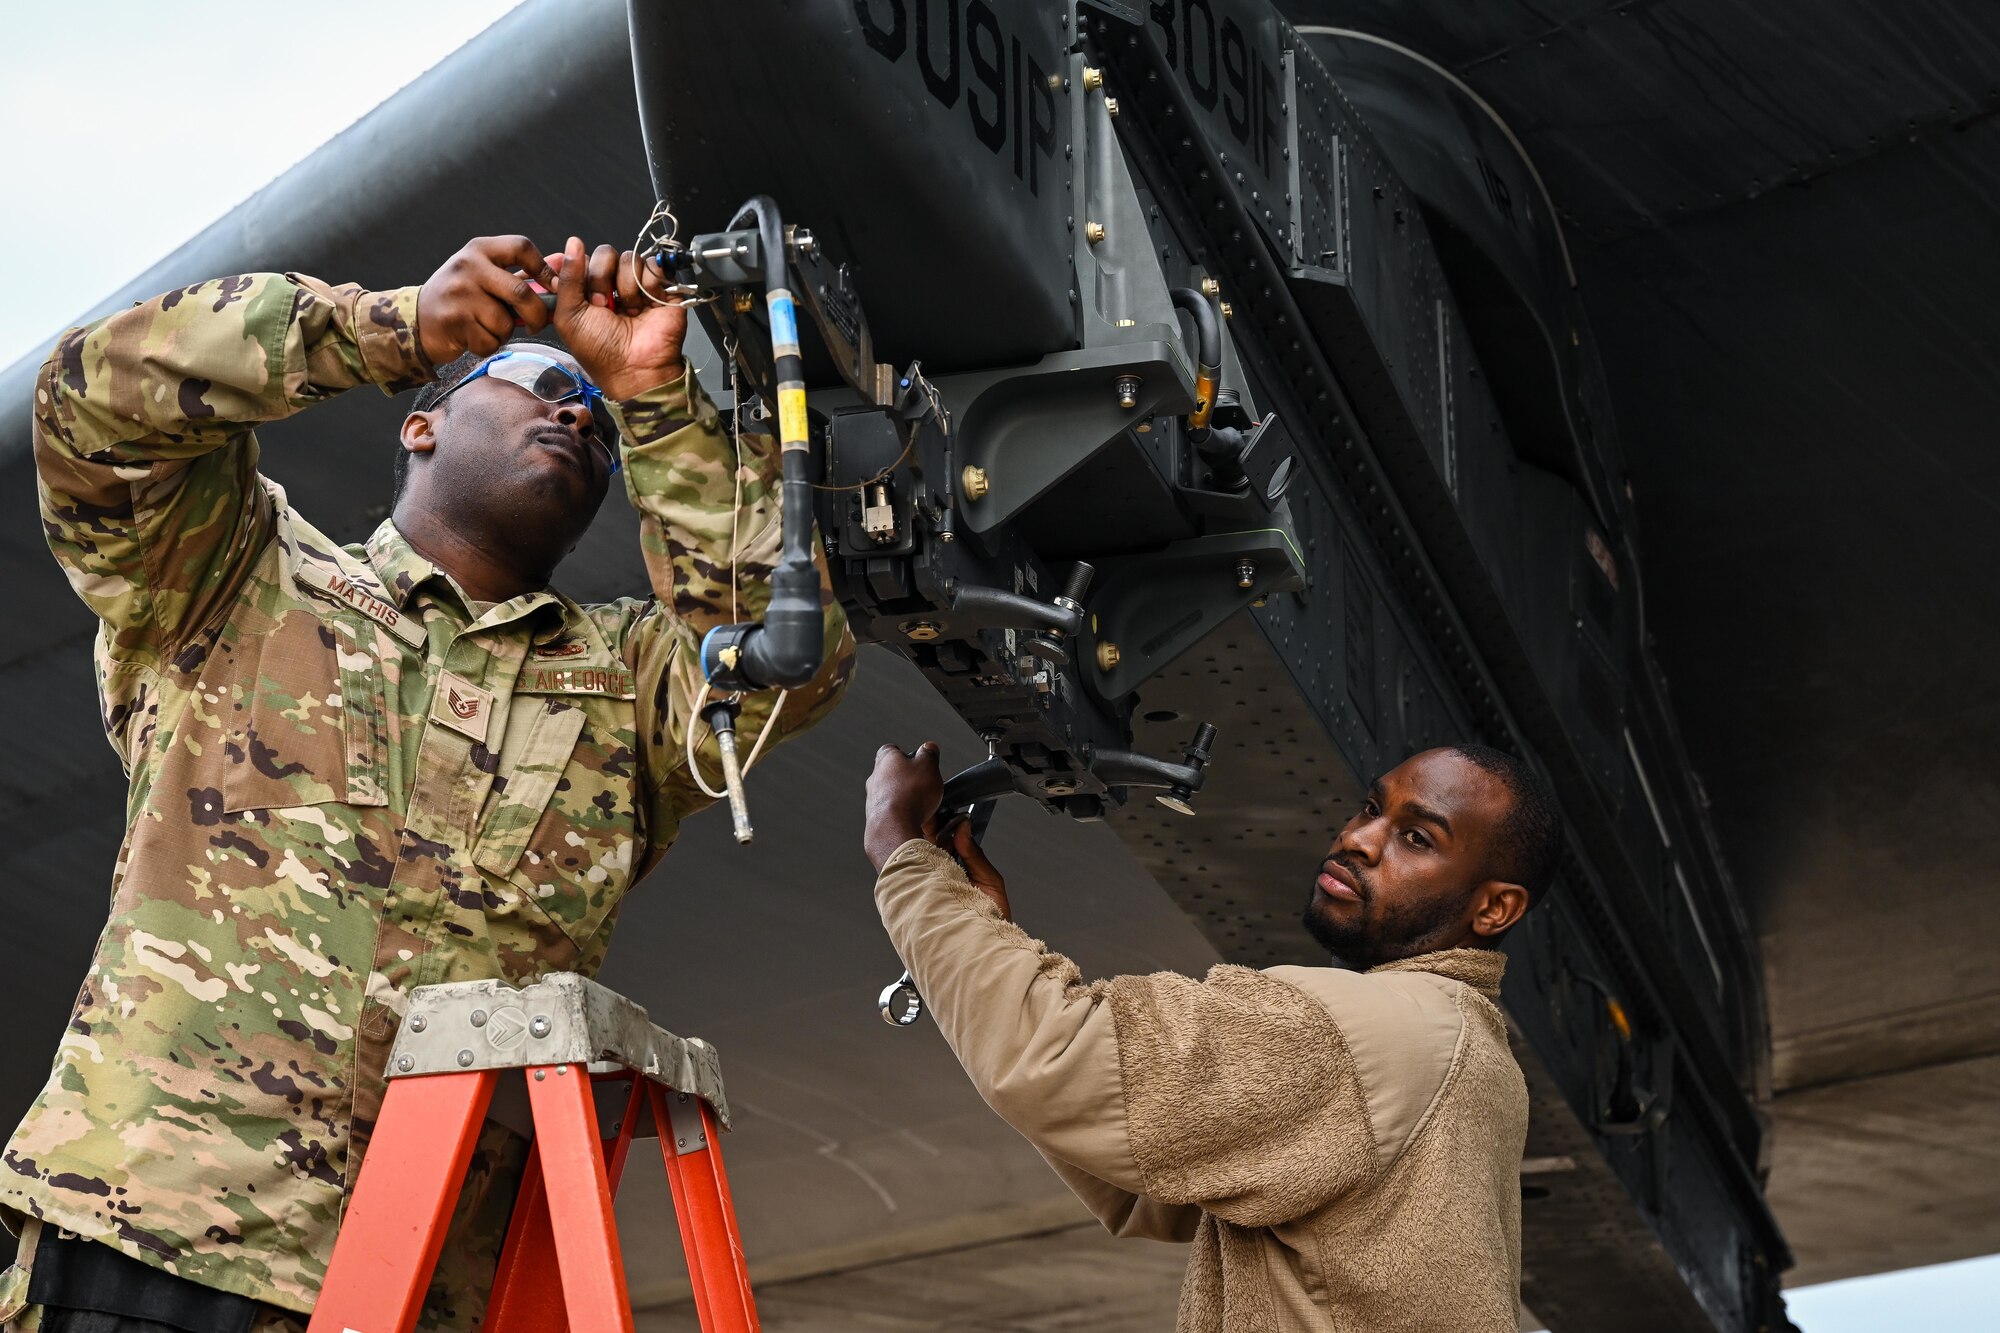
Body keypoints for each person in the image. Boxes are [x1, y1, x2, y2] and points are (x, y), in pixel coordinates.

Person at [4, 235, 855, 1332]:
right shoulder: (235, 577)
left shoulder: (628, 689)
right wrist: (389, 327)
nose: (576, 415)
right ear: (423, 423)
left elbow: (798, 651)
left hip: (422, 1289)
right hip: (157, 1241)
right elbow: (89, 402)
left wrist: (655, 400)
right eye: (547, 384)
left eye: (598, 423)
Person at [862, 742, 1563, 1333]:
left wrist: (906, 857)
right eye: (1372, 808)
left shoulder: (1362, 1031)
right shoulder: (1467, 1050)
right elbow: (1148, 1164)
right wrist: (985, 938)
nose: (1358, 838)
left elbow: (1060, 1059)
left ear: (1495, 907)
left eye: (1417, 837)